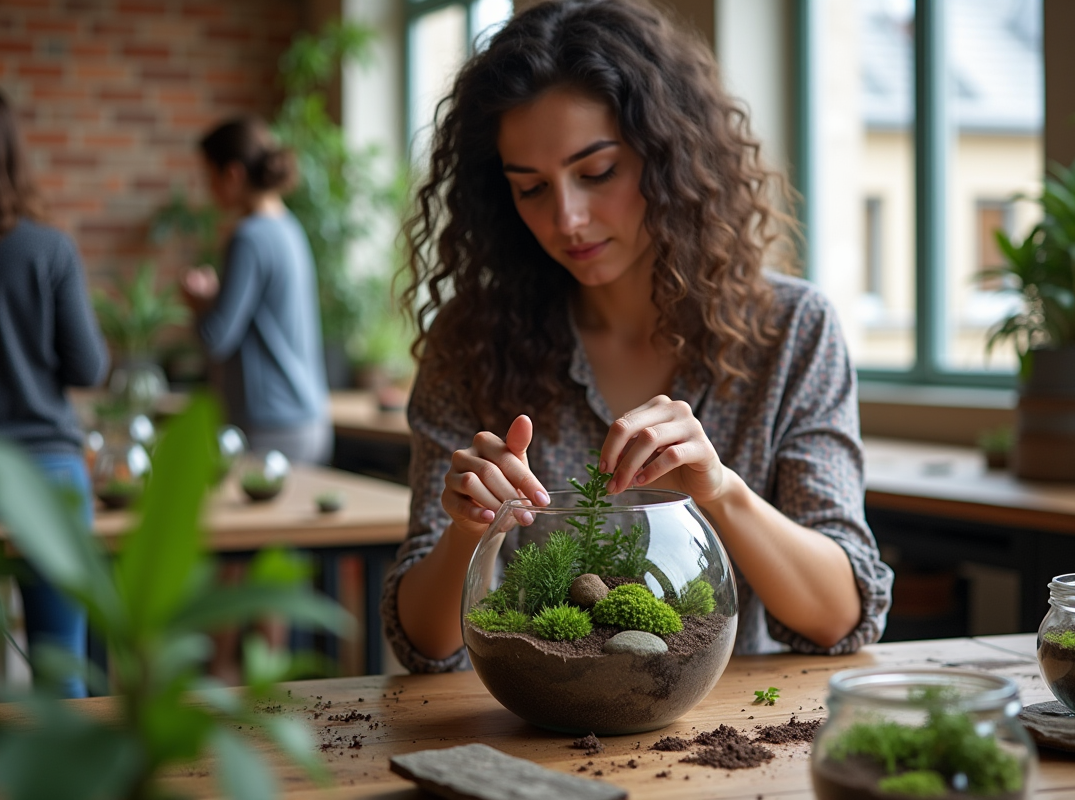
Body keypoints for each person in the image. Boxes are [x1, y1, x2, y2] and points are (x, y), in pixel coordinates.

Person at [384, 0, 894, 673]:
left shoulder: (792, 331)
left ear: (667, 158)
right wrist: (465, 530)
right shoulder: (471, 341)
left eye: (597, 174)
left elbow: (843, 619)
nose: (567, 218)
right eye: (531, 188)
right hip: (535, 728)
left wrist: (720, 490)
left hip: (732, 740)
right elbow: (422, 644)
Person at [0, 84, 109, 701]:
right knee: (63, 676)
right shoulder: (50, 250)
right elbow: (88, 368)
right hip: (51, 479)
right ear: (14, 154)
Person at [180, 116, 330, 466]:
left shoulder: (248, 237)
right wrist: (217, 298)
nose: (208, 189)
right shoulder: (289, 227)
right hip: (307, 420)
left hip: (269, 427)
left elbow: (216, 338)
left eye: (209, 177)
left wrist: (197, 304)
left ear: (231, 174)